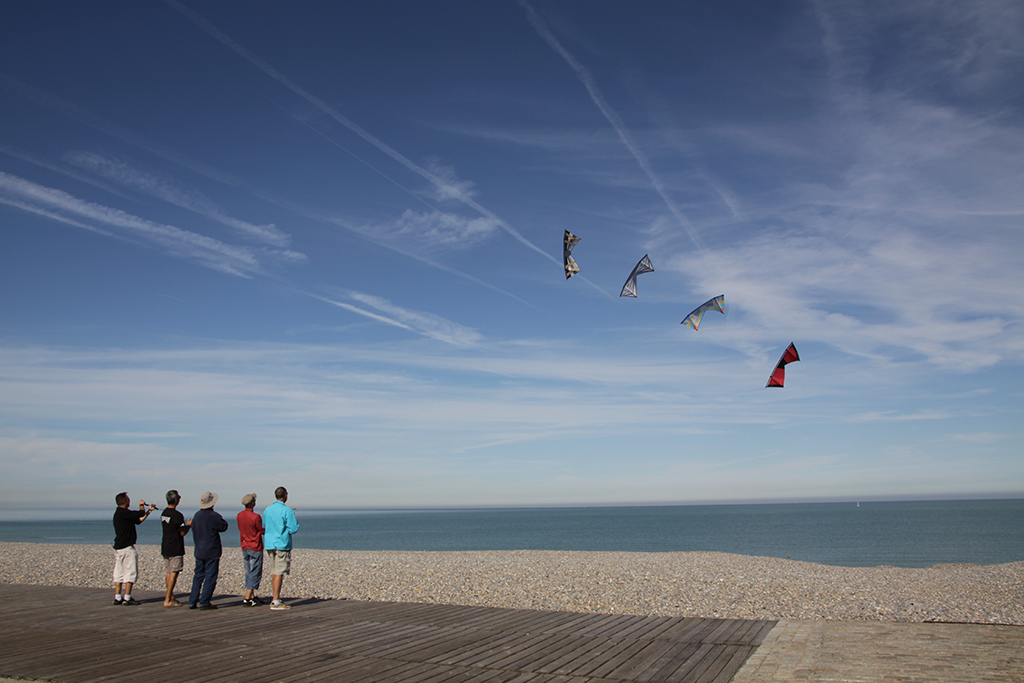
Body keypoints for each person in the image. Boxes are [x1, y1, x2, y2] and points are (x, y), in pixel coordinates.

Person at [112, 492, 156, 606]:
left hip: (119, 547)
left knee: (119, 572)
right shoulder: (123, 513)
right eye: (128, 500)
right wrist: (141, 505)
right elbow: (140, 513)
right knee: (130, 572)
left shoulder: (121, 514)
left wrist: (149, 511)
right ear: (125, 501)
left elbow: (138, 520)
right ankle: (127, 597)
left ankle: (118, 597)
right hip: (127, 547)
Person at [188, 491, 228, 610]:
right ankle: (204, 601)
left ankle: (192, 600)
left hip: (199, 550)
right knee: (210, 576)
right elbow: (224, 527)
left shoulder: (197, 515)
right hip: (211, 550)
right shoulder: (214, 516)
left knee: (198, 576)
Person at [263, 486, 299, 610]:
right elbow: (293, 529)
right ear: (285, 496)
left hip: (269, 543)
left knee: (274, 571)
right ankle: (275, 600)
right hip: (281, 544)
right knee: (279, 572)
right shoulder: (287, 510)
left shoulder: (268, 510)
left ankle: (275, 597)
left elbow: (264, 525)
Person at [160, 490, 192, 607]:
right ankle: (168, 598)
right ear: (175, 500)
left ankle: (170, 595)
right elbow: (182, 533)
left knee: (169, 572)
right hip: (175, 546)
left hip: (166, 545)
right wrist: (188, 526)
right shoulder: (177, 515)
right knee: (174, 572)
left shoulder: (164, 513)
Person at [236, 492, 265, 606]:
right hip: (255, 546)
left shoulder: (239, 515)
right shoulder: (255, 517)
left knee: (248, 570)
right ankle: (248, 597)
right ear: (252, 503)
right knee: (255, 571)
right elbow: (260, 530)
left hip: (244, 545)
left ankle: (251, 596)